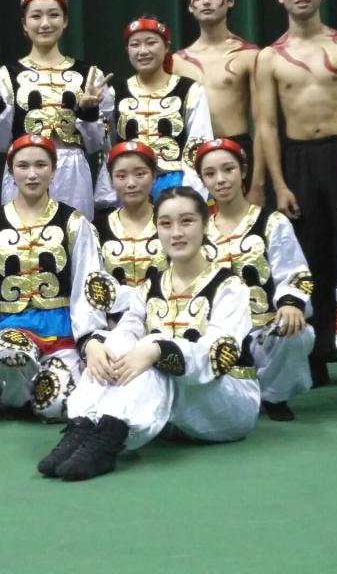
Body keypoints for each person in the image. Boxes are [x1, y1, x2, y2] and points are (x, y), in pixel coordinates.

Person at [38, 186, 257, 481]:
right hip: (177, 412)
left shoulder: (230, 287)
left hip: (228, 404)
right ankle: (82, 425)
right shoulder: (152, 285)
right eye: (166, 224)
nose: (176, 232)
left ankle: (110, 439)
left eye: (187, 221)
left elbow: (218, 357)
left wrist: (157, 351)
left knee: (155, 346)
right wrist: (97, 347)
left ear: (205, 225)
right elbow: (128, 328)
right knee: (113, 345)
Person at [255, 0, 337, 388]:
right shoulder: (269, 57)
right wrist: (279, 184)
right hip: (298, 161)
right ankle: (316, 356)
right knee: (309, 261)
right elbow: (266, 125)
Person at [0, 134, 112, 421]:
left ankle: (37, 388)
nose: (32, 174)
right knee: (11, 354)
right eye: (23, 166)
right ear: (11, 171)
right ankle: (16, 393)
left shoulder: (74, 222)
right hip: (11, 327)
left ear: (53, 170)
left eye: (41, 165)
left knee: (55, 406)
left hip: (61, 329)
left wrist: (90, 339)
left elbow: (87, 282)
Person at [0, 0, 112, 219]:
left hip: (72, 172)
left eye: (53, 15)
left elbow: (94, 146)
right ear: (24, 24)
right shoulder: (5, 76)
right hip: (23, 170)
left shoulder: (90, 75)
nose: (45, 23)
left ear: (65, 21)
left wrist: (88, 112)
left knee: (74, 232)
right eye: (36, 16)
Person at [198, 139, 315, 421]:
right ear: (202, 179)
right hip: (217, 332)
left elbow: (295, 271)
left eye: (228, 169)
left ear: (243, 171)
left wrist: (290, 304)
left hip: (263, 332)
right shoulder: (198, 230)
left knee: (297, 333)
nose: (220, 179)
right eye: (210, 173)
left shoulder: (272, 222)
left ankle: (273, 395)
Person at [95, 16, 212, 205]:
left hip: (176, 184)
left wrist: (191, 194)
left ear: (166, 47)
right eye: (135, 45)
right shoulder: (115, 93)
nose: (143, 51)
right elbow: (108, 147)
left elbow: (198, 144)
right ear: (127, 50)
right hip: (130, 187)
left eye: (151, 43)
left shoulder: (190, 90)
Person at [173, 0, 265, 201]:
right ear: (190, 5)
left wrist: (257, 184)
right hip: (193, 154)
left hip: (236, 149)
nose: (206, 1)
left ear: (230, 1)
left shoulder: (249, 55)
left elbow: (263, 124)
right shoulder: (176, 62)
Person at [93, 141, 164, 327]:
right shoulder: (97, 227)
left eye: (140, 174)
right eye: (121, 176)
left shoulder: (170, 222)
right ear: (111, 180)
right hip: (111, 325)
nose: (131, 183)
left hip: (163, 323)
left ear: (154, 176)